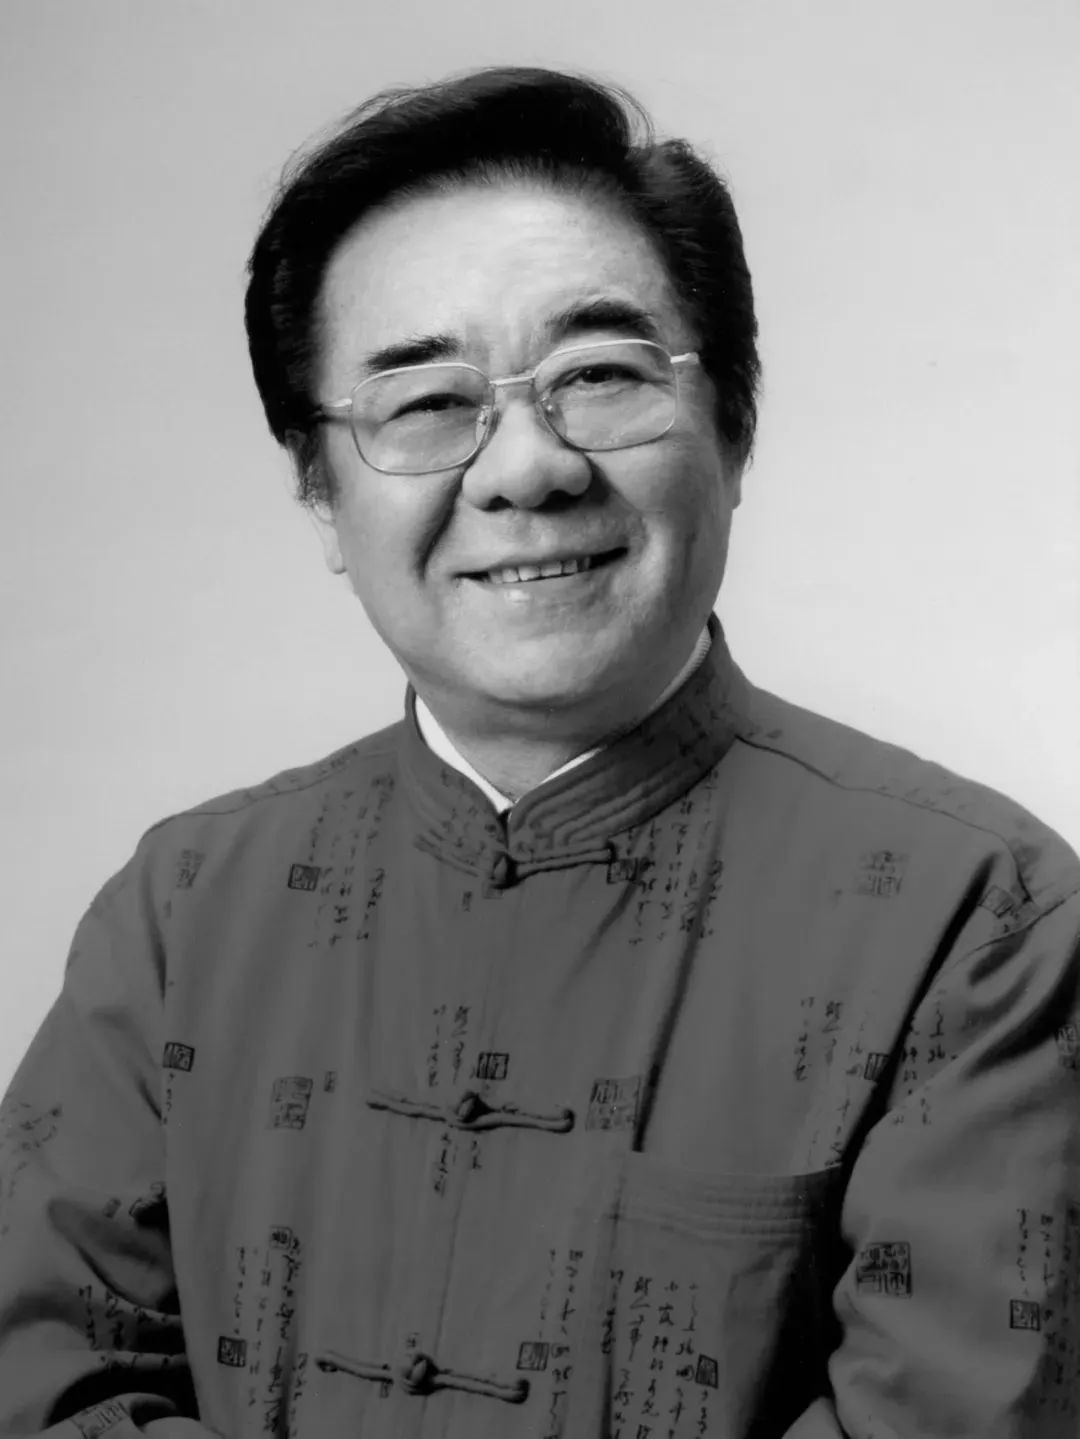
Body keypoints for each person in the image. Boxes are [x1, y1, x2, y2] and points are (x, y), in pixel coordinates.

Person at [0, 64, 1077, 1439]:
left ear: (735, 431)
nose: (525, 469)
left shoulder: (980, 921)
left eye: (600, 377)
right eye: (423, 402)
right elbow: (43, 1388)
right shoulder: (184, 909)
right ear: (320, 493)